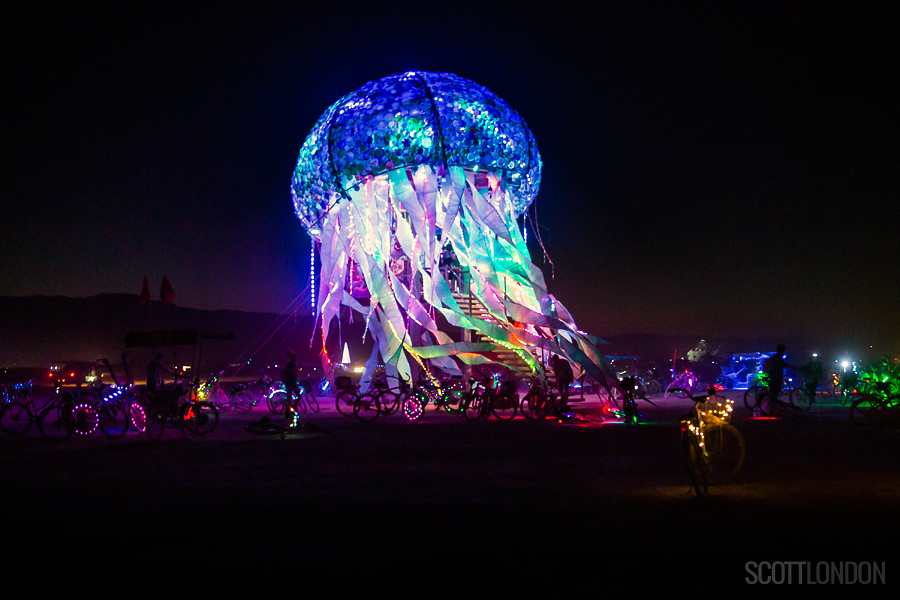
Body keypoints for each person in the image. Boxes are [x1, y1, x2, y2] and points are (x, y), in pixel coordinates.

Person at [281, 351, 301, 428]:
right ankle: (293, 409)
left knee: (289, 397)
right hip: (291, 382)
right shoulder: (291, 365)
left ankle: (288, 412)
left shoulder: (293, 364)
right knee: (298, 395)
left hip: (290, 382)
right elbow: (291, 373)